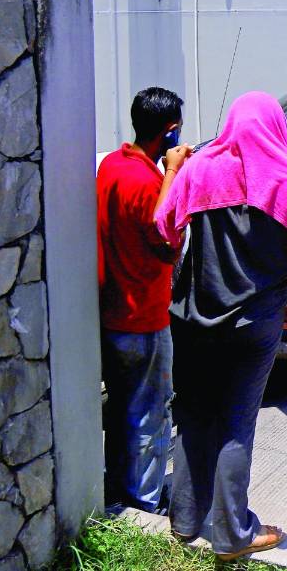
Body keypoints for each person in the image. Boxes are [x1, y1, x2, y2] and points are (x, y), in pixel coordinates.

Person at [155, 91, 287, 562]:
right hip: (255, 322)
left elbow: (164, 224)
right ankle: (232, 535)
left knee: (192, 417)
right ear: (275, 127)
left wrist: (172, 169)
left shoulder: (200, 168)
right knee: (236, 425)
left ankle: (185, 523)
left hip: (193, 317)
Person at [95, 86, 192, 512]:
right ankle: (144, 500)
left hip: (110, 310)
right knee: (150, 416)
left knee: (120, 408)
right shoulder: (146, 181)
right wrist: (173, 173)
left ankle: (118, 485)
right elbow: (167, 240)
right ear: (170, 132)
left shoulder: (113, 166)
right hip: (144, 317)